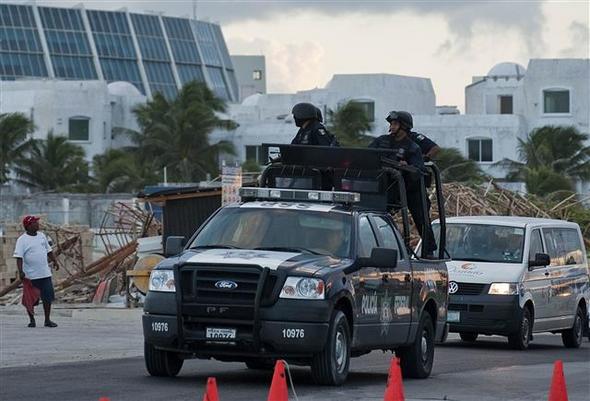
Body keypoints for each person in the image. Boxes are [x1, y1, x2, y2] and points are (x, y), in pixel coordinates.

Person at [368, 111, 437, 256]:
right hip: (389, 187)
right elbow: (366, 154)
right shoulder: (382, 141)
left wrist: (407, 165)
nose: (392, 127)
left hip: (410, 189)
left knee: (421, 217)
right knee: (375, 216)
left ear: (404, 126)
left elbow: (418, 169)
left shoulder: (413, 147)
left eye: (395, 124)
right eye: (391, 124)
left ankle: (428, 251)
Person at [13, 216, 60, 328]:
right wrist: (21, 272)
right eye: (35, 223)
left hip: (44, 273)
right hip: (30, 275)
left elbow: (49, 250)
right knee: (31, 300)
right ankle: (32, 320)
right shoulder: (22, 240)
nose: (38, 224)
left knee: (47, 297)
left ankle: (47, 320)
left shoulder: (42, 236)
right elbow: (19, 257)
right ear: (29, 225)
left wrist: (55, 261)